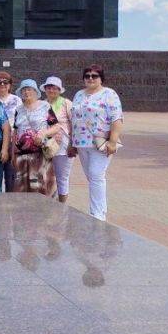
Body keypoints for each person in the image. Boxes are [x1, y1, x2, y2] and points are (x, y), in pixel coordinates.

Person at [69, 65, 123, 221]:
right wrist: (72, 143)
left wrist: (112, 142)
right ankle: (98, 209)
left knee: (96, 175)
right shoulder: (79, 94)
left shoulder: (109, 94)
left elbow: (117, 118)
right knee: (91, 177)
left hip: (101, 143)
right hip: (81, 143)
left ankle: (98, 214)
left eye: (94, 76)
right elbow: (74, 119)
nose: (90, 78)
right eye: (87, 76)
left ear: (101, 78)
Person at [11, 79, 60, 197]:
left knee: (39, 186)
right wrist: (13, 153)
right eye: (24, 90)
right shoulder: (19, 109)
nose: (26, 92)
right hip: (21, 155)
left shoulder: (44, 106)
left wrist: (44, 134)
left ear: (35, 92)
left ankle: (42, 213)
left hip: (39, 154)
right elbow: (16, 131)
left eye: (29, 89)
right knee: (21, 187)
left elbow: (56, 127)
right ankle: (23, 214)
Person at [42, 76, 73, 203]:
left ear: (60, 90)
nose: (52, 90)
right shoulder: (42, 104)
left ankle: (62, 205)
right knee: (45, 175)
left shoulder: (66, 103)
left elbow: (74, 124)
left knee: (62, 177)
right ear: (45, 89)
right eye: (49, 87)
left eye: (55, 88)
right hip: (45, 145)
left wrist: (73, 144)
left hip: (63, 145)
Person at [0, 71, 22, 191]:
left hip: (12, 142)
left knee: (11, 177)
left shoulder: (17, 100)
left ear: (10, 84)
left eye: (6, 82)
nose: (2, 85)